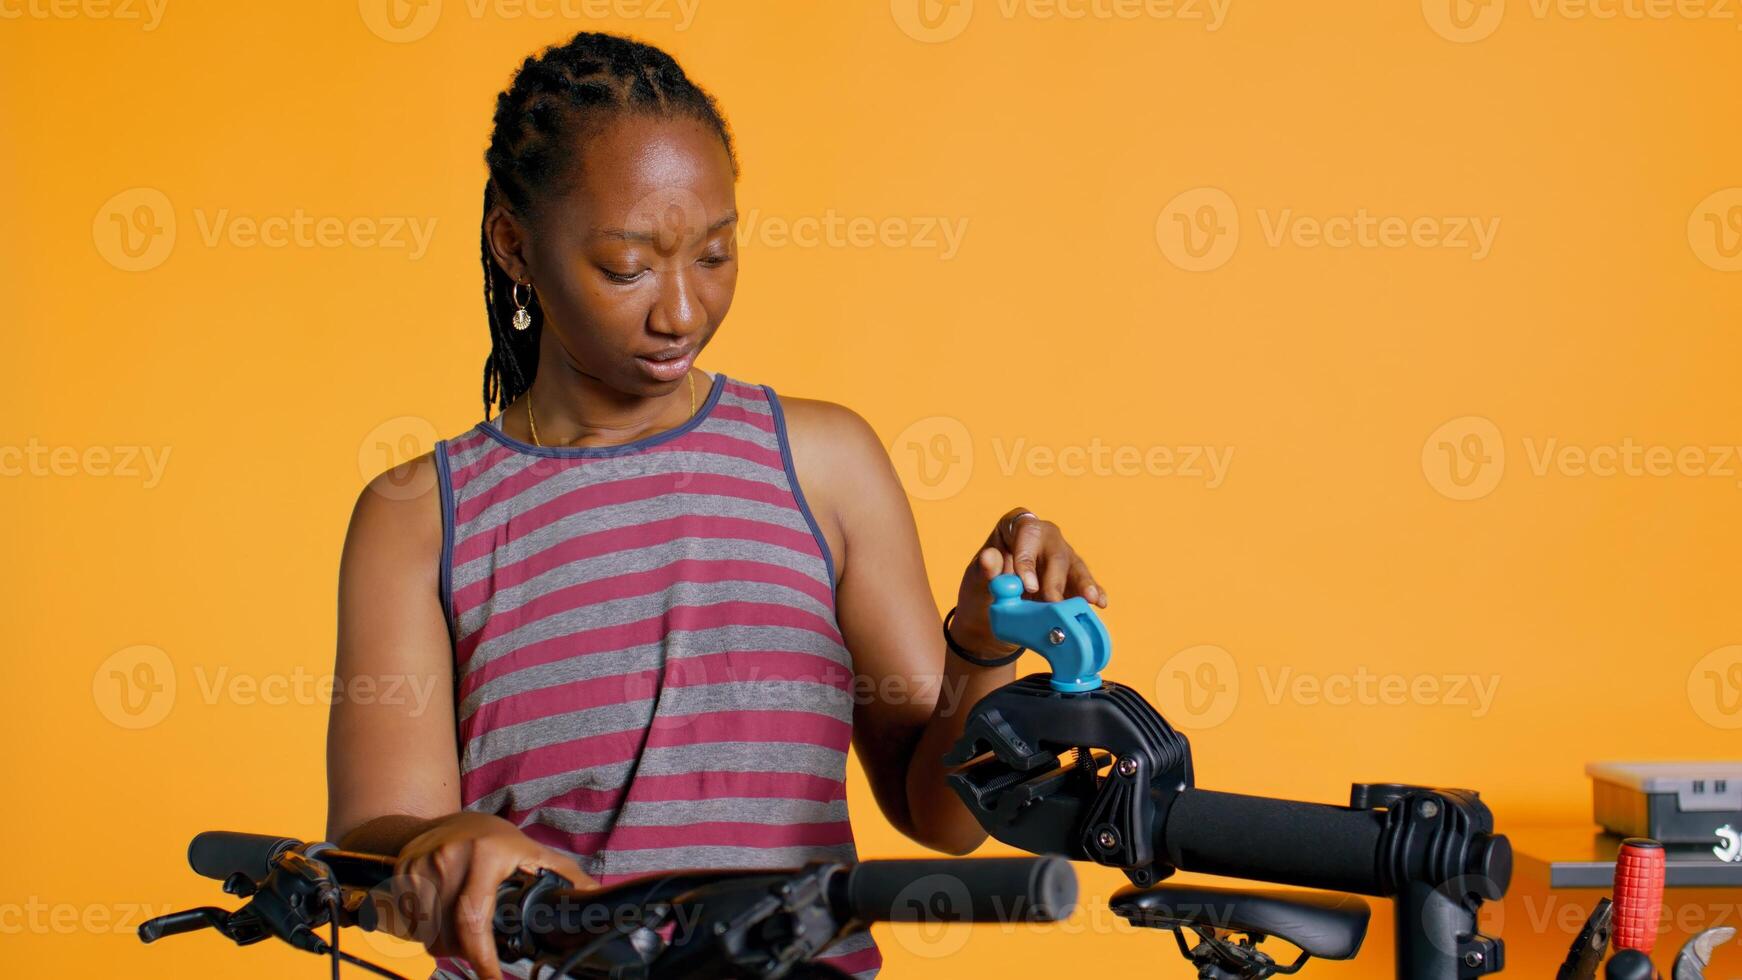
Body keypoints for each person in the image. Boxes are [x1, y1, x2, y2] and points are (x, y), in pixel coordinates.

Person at [324, 30, 1108, 980]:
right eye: (628, 267)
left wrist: (982, 644)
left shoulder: (825, 464)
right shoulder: (420, 515)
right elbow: (367, 850)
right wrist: (450, 841)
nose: (682, 312)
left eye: (716, 254)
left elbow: (940, 816)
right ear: (515, 245)